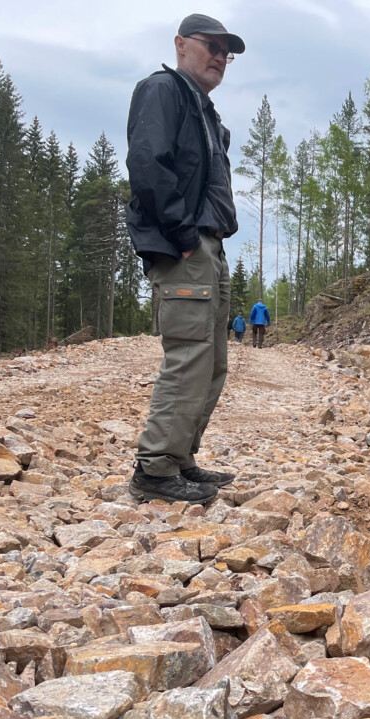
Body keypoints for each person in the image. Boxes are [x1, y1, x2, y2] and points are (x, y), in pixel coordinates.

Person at [124, 14, 245, 504]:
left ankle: (179, 458)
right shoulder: (163, 90)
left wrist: (209, 244)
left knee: (212, 362)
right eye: (211, 45)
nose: (219, 56)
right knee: (189, 356)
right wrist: (182, 235)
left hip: (210, 246)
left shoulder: (207, 112)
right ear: (180, 44)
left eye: (226, 51)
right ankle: (153, 468)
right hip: (186, 246)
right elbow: (148, 163)